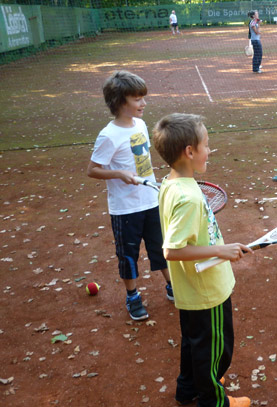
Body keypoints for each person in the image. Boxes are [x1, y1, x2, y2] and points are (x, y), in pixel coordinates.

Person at [152, 113, 253, 407]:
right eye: (206, 145)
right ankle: (215, 401)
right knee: (216, 350)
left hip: (191, 289)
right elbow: (171, 250)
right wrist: (221, 251)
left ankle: (188, 389)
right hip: (207, 291)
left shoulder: (172, 183)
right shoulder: (189, 197)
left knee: (194, 343)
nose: (210, 150)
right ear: (190, 152)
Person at [87, 70, 172, 321]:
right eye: (137, 99)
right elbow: (92, 170)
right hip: (125, 208)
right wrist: (119, 174)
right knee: (128, 255)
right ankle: (133, 295)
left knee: (161, 247)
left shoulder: (141, 125)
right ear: (119, 102)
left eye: (143, 97)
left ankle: (171, 286)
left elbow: (142, 160)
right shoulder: (108, 135)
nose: (143, 103)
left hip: (150, 201)